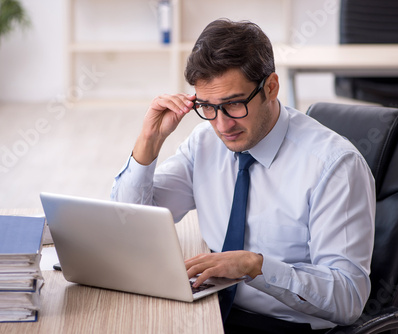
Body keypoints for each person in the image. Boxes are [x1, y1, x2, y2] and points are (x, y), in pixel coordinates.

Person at [111, 19, 375, 334]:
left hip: (284, 326)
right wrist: (148, 142)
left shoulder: (334, 167)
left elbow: (348, 298)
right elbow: (130, 225)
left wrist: (255, 267)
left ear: (271, 88)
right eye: (208, 107)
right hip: (209, 310)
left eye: (234, 104)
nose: (222, 125)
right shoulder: (204, 142)